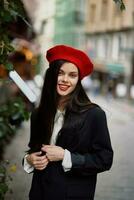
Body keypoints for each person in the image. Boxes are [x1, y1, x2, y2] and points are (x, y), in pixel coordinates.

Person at [23, 45, 113, 200]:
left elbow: (104, 159)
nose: (65, 79)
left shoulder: (94, 115)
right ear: (52, 75)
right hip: (39, 193)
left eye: (72, 75)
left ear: (78, 80)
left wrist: (66, 156)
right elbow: (33, 149)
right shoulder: (38, 114)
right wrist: (29, 159)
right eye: (60, 73)